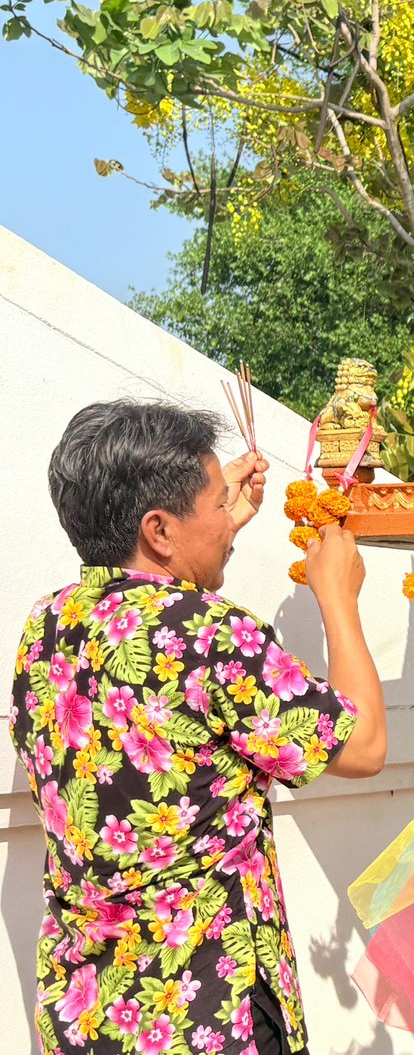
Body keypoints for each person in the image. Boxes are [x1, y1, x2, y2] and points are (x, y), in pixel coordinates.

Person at [9, 400, 387, 1055]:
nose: (229, 518)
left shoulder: (48, 625)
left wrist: (210, 531)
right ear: (159, 529)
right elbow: (363, 747)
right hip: (206, 1015)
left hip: (89, 1015)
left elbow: (169, 671)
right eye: (217, 504)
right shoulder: (210, 635)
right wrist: (337, 599)